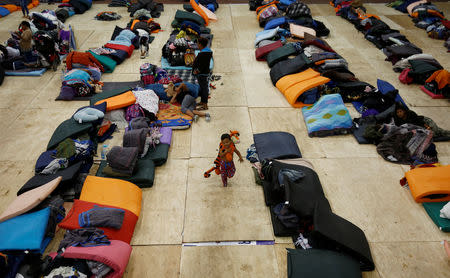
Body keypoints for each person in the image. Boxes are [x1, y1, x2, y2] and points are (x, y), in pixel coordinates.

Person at [192, 37, 213, 111]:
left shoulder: (203, 54)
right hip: (204, 72)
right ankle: (202, 102)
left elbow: (201, 65)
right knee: (203, 87)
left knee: (204, 89)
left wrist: (196, 71)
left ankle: (205, 105)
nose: (197, 44)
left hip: (202, 74)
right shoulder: (206, 52)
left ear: (201, 44)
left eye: (198, 43)